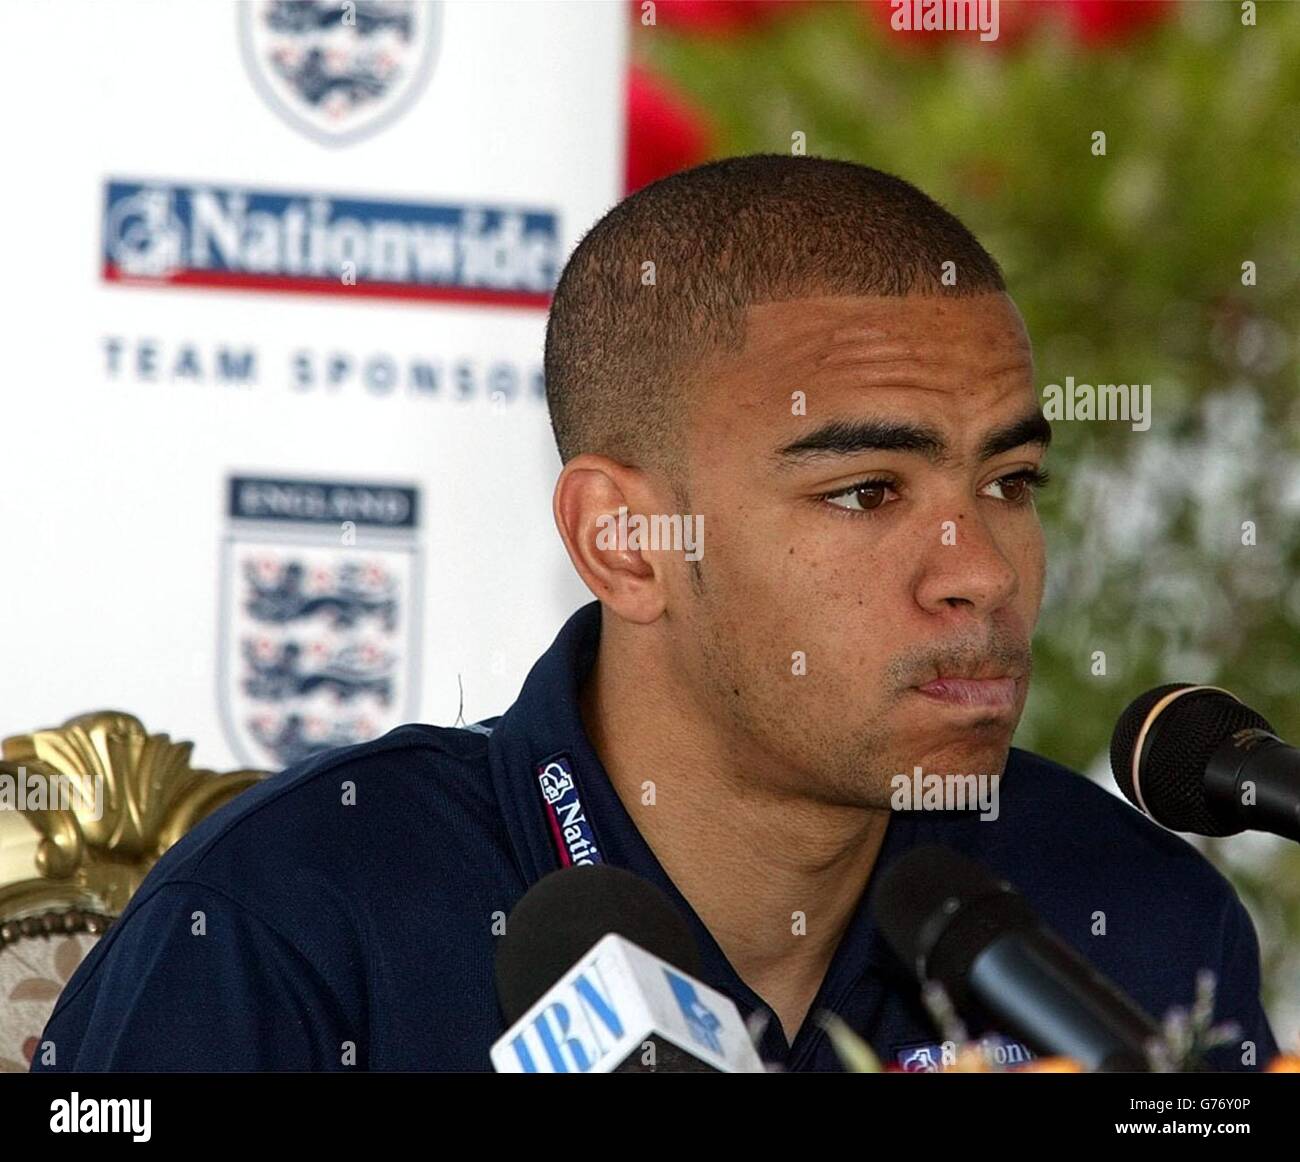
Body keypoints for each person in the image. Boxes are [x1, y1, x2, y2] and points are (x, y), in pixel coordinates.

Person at [32, 155, 1278, 1072]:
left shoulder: (1135, 919)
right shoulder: (301, 913)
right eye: (864, 492)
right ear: (623, 544)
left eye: (1007, 484)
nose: (983, 573)